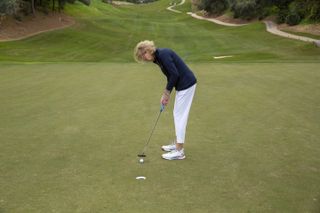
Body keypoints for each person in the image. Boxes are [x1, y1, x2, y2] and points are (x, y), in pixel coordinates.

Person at [134, 40, 197, 160]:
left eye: (143, 56)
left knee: (179, 116)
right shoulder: (157, 59)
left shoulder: (163, 54)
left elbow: (175, 74)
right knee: (177, 114)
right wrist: (166, 95)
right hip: (183, 85)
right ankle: (177, 145)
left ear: (147, 51)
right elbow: (170, 76)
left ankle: (179, 151)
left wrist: (166, 93)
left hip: (187, 84)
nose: (144, 59)